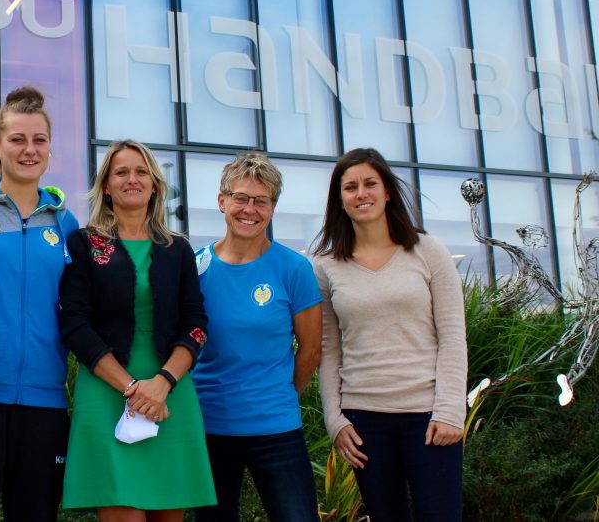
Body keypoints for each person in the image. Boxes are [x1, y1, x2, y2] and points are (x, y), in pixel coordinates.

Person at [59, 139, 216, 521]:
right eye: (122, 172)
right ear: (107, 186)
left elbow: (195, 325)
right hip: (107, 393)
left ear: (155, 184)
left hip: (170, 396)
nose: (133, 179)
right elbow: (75, 324)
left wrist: (161, 383)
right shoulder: (84, 244)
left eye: (141, 171)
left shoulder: (177, 248)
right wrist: (133, 389)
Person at [312, 147, 467, 521]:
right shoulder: (326, 266)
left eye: (369, 183)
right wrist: (336, 420)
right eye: (350, 187)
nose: (361, 193)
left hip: (428, 417)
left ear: (387, 192)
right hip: (364, 422)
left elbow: (452, 335)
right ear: (340, 200)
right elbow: (329, 351)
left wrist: (450, 410)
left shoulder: (427, 250)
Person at [0, 86, 79, 522]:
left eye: (39, 140)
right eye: (18, 140)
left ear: (49, 148)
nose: (29, 150)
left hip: (45, 402)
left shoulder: (65, 222)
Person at [192, 152, 322, 522]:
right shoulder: (195, 267)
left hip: (275, 428)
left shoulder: (294, 269)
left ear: (272, 208)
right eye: (241, 198)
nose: (250, 209)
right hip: (208, 427)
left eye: (261, 201)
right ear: (222, 201)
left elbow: (311, 351)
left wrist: (278, 396)